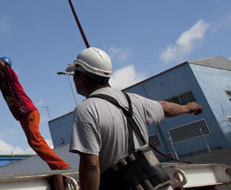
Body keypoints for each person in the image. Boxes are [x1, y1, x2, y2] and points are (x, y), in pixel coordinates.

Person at [65, 47, 204, 190]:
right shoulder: (132, 100)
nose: (74, 79)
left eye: (74, 74)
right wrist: (187, 108)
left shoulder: (86, 109)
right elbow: (164, 107)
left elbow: (91, 166)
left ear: (82, 76)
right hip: (159, 184)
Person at [0, 41, 70, 170]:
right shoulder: (0, 83)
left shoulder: (11, 77)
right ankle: (56, 166)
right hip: (22, 116)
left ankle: (61, 166)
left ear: (5, 68)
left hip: (29, 112)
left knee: (35, 141)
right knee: (34, 143)